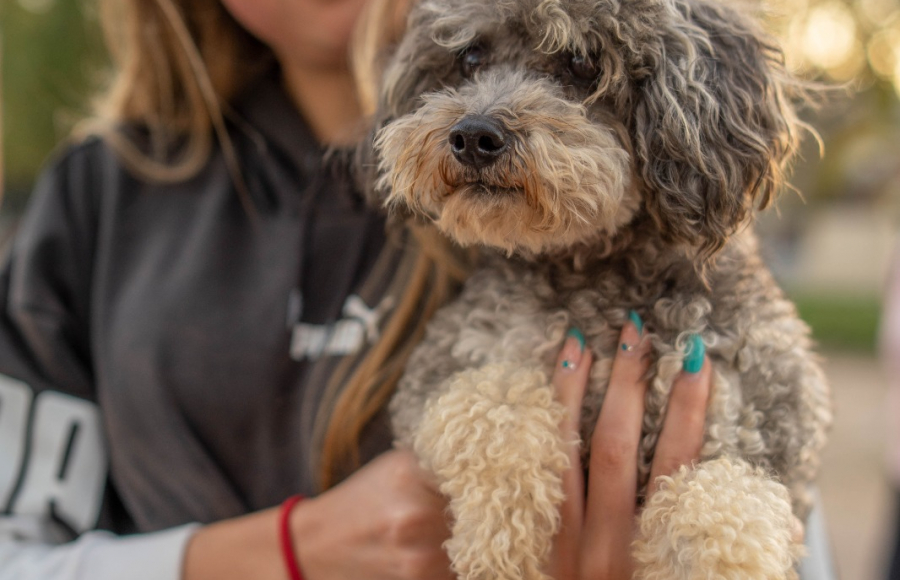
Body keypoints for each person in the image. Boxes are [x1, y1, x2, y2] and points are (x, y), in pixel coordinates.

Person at [0, 0, 759, 578]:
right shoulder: (99, 197)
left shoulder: (655, 190)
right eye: (465, 68)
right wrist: (290, 552)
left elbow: (784, 528)